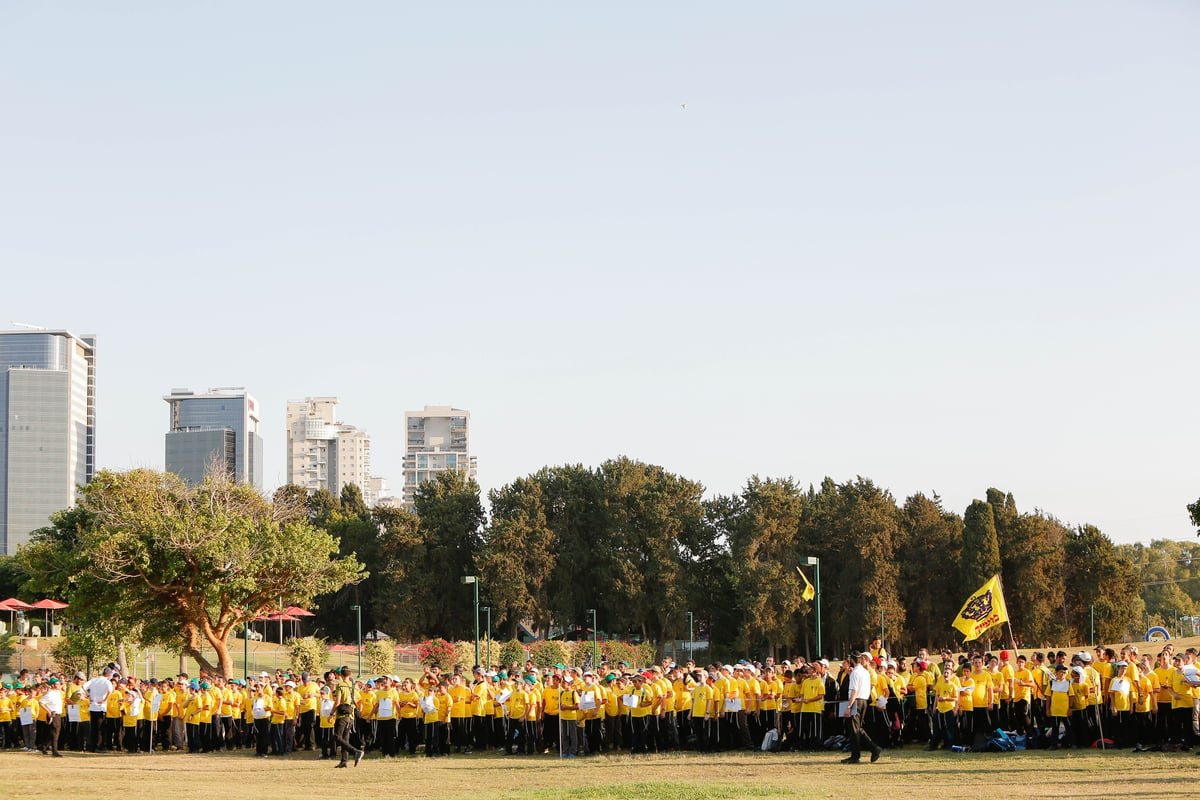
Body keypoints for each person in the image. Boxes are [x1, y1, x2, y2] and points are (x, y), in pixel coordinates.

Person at [841, 652, 882, 763]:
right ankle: (873, 748)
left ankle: (856, 756)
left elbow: (854, 690)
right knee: (858, 728)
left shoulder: (855, 673)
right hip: (864, 700)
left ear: (852, 661)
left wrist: (849, 706)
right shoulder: (865, 672)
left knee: (854, 730)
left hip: (856, 700)